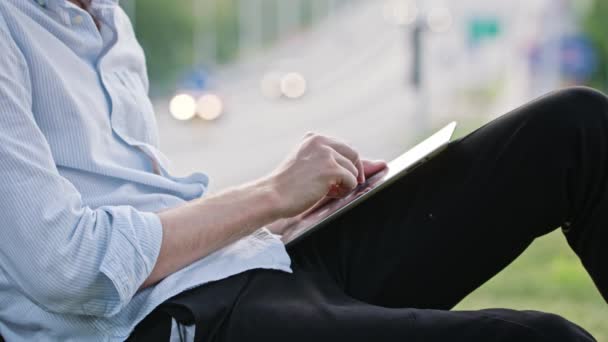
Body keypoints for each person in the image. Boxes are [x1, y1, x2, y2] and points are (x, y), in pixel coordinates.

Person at [0, 0, 604, 341]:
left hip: (248, 266)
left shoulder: (109, 20)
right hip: (158, 325)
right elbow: (67, 268)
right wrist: (271, 194)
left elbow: (137, 202)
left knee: (573, 127)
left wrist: (276, 221)